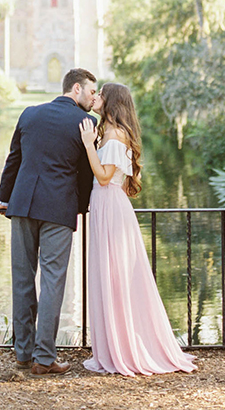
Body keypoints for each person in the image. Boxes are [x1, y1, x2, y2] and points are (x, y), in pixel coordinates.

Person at [79, 82, 196, 376]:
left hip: (110, 206)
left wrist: (87, 144)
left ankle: (125, 348)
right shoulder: (110, 134)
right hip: (106, 207)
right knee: (110, 275)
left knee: (117, 277)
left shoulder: (115, 136)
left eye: (101, 94)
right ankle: (115, 344)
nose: (97, 98)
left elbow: (105, 177)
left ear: (111, 102)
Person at [0, 67, 97, 375]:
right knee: (53, 281)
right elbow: (86, 175)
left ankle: (23, 354)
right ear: (76, 89)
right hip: (58, 210)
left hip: (23, 204)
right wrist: (80, 208)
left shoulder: (29, 114)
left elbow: (14, 158)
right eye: (92, 91)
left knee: (23, 278)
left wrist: (4, 198)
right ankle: (44, 358)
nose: (94, 98)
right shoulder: (86, 122)